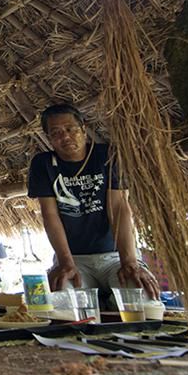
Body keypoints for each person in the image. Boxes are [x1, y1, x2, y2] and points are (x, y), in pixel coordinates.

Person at [27, 103, 161, 301]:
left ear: (83, 128)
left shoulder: (107, 155)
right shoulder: (43, 164)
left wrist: (130, 262)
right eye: (55, 133)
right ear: (49, 139)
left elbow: (118, 208)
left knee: (140, 297)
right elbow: (50, 215)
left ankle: (109, 301)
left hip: (114, 257)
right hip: (74, 259)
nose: (65, 137)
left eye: (70, 129)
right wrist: (65, 262)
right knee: (61, 300)